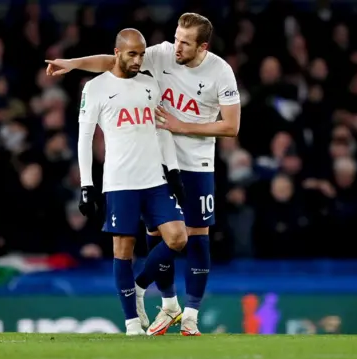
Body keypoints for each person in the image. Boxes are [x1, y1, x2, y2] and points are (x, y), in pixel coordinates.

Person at [47, 13, 241, 336]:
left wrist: (183, 127)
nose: (176, 46)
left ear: (202, 46)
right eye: (176, 38)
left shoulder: (221, 72)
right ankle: (168, 304)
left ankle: (186, 313)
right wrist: (72, 63)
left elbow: (232, 126)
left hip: (198, 163)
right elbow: (115, 59)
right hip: (158, 164)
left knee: (197, 237)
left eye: (185, 43)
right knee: (157, 239)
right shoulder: (162, 54)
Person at [76, 28, 187, 336]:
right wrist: (87, 185)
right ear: (117, 53)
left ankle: (139, 287)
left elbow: (162, 129)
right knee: (123, 251)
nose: (138, 59)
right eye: (132, 54)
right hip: (120, 182)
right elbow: (85, 139)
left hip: (154, 179)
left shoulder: (151, 84)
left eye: (141, 54)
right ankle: (131, 325)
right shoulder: (95, 88)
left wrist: (174, 170)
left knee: (178, 237)